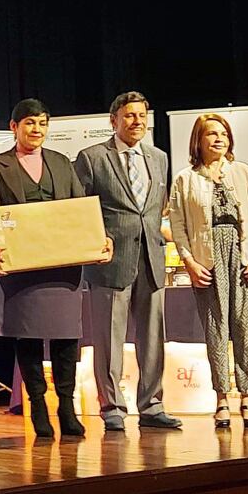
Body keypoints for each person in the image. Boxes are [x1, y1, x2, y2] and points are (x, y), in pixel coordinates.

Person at [0, 98, 111, 438]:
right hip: (22, 266)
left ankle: (66, 408)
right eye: (29, 123)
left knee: (67, 336)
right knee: (26, 336)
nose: (36, 130)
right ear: (14, 127)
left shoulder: (61, 162)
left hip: (62, 264)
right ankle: (37, 405)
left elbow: (79, 209)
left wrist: (100, 239)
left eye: (42, 123)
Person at [75, 91, 182, 431]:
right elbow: (82, 209)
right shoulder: (92, 158)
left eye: (142, 116)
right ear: (114, 120)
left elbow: (156, 208)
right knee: (109, 339)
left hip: (151, 258)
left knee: (152, 339)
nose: (137, 122)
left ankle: (151, 406)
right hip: (110, 262)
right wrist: (95, 241)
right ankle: (112, 408)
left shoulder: (159, 157)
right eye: (130, 116)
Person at [169, 113, 248, 428]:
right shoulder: (186, 178)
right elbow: (178, 225)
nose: (218, 138)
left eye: (223, 133)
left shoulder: (245, 173)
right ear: (198, 141)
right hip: (208, 261)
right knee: (216, 330)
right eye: (211, 133)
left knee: (246, 328)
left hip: (243, 258)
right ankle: (222, 398)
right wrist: (189, 261)